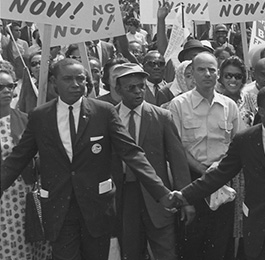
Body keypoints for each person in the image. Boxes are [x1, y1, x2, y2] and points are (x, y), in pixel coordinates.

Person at [0, 58, 172, 260]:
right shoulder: (40, 116)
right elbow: (18, 158)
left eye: (80, 79)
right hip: (59, 207)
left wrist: (162, 192)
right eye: (68, 79)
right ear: (54, 82)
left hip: (96, 208)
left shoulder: (103, 112)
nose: (75, 84)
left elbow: (131, 153)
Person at [165, 85, 265, 259]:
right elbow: (220, 174)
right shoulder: (245, 140)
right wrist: (184, 195)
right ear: (262, 112)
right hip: (260, 233)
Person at [165, 53, 244, 259]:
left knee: (220, 243)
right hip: (192, 181)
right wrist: (203, 171)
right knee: (192, 241)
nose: (207, 74)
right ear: (192, 73)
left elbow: (236, 145)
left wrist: (219, 172)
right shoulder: (178, 105)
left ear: (217, 73)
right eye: (201, 69)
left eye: (212, 69)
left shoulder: (230, 106)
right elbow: (178, 147)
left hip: (223, 182)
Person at [110, 63, 192, 260]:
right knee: (130, 251)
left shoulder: (161, 116)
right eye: (131, 88)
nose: (138, 91)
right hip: (124, 196)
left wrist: (186, 200)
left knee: (165, 251)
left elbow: (177, 160)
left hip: (158, 196)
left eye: (141, 86)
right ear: (118, 89)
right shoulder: (107, 117)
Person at [0, 69, 51, 259]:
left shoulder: (26, 119)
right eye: (0, 87)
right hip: (3, 197)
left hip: (26, 193)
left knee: (33, 242)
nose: (6, 91)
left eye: (10, 86)